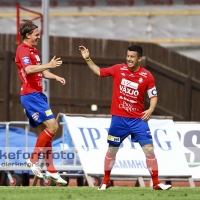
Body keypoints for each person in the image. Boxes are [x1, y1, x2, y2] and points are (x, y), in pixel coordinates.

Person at [79, 44, 172, 190]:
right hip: (119, 119)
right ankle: (106, 181)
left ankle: (156, 183)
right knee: (112, 150)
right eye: (128, 56)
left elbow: (153, 95)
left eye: (132, 57)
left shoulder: (147, 76)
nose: (129, 59)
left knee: (149, 150)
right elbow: (98, 71)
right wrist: (88, 59)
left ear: (139, 59)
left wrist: (151, 109)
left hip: (138, 120)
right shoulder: (118, 69)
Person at [15, 19, 67, 185]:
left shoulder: (33, 51)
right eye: (36, 34)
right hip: (31, 96)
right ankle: (33, 159)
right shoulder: (22, 50)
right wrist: (49, 64)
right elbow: (29, 69)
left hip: (37, 95)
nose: (39, 37)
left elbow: (40, 72)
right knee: (53, 127)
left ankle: (51, 170)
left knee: (48, 134)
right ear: (28, 35)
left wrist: (55, 75)